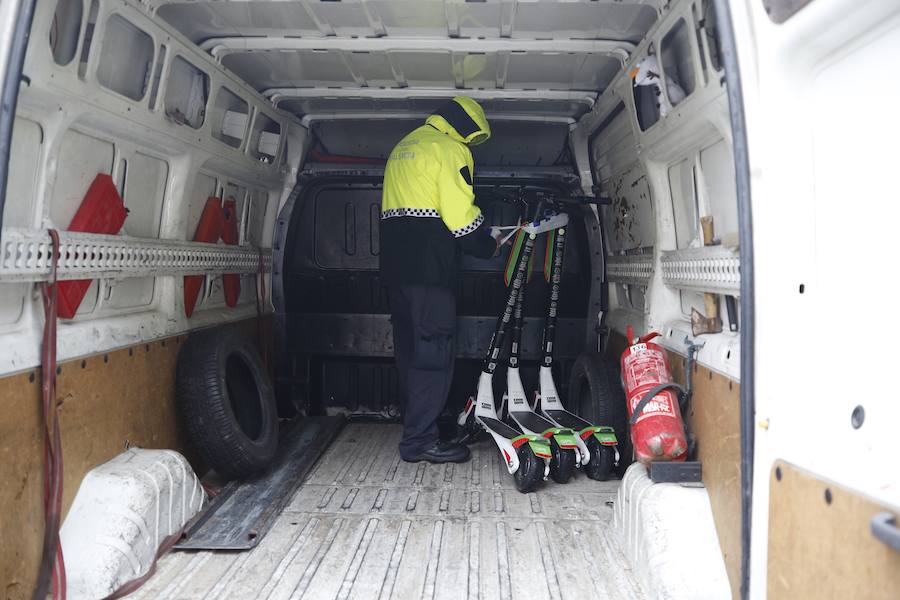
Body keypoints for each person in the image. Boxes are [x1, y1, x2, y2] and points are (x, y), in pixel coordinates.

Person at [380, 96, 501, 464]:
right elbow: (460, 216)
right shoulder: (448, 149)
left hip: (397, 273)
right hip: (430, 274)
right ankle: (420, 442)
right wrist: (489, 244)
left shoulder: (405, 145)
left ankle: (420, 427)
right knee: (433, 354)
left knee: (411, 354)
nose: (470, 145)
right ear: (465, 127)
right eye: (471, 137)